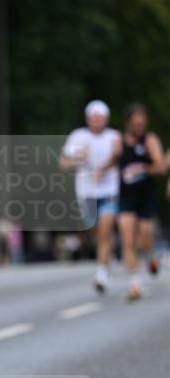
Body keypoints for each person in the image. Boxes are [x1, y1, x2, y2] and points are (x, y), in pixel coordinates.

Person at [59, 100, 121, 293]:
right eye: (93, 117)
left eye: (100, 117)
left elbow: (120, 158)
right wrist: (77, 159)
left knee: (104, 231)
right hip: (86, 192)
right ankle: (105, 259)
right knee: (95, 233)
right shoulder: (78, 136)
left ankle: (101, 273)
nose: (96, 120)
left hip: (109, 190)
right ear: (87, 119)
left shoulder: (114, 137)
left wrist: (113, 160)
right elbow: (63, 163)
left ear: (106, 119)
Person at [112, 104, 165, 301]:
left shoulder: (150, 140)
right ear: (128, 123)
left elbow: (160, 167)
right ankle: (134, 282)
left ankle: (151, 255)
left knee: (144, 238)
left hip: (146, 196)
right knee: (127, 240)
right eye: (136, 123)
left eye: (142, 123)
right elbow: (111, 162)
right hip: (126, 196)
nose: (139, 127)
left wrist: (143, 168)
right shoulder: (119, 142)